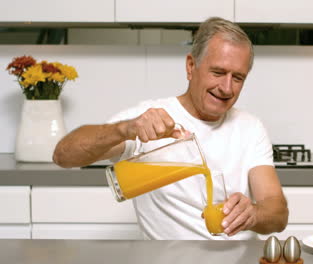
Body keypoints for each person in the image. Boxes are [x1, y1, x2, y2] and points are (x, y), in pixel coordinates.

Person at [53, 17, 288, 240]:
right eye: (218, 72)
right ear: (190, 66)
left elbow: (277, 213)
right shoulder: (149, 119)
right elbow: (64, 155)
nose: (227, 88)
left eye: (238, 78)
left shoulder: (250, 127)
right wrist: (125, 129)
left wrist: (254, 214)